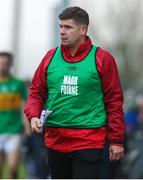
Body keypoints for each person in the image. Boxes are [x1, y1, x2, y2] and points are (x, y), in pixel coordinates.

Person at [24, 6, 125, 179]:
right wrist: (33, 115)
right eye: (61, 27)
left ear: (83, 30)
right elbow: (36, 92)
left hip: (89, 139)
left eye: (68, 27)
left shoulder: (102, 59)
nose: (62, 31)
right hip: (55, 140)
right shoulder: (50, 57)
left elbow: (114, 102)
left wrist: (116, 140)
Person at [0, 52, 30, 178]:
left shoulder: (18, 84)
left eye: (5, 64)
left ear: (10, 64)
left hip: (13, 131)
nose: (2, 67)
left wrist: (27, 128)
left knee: (12, 168)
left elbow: (23, 107)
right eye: (0, 64)